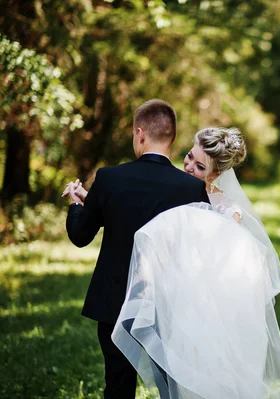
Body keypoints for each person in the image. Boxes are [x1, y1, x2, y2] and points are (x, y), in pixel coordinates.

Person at [68, 127, 280, 398]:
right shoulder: (184, 188)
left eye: (199, 166)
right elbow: (141, 211)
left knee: (179, 383)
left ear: (216, 174)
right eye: (189, 157)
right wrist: (93, 201)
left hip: (185, 307)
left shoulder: (218, 208)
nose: (188, 167)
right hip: (149, 296)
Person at [64, 99, 210, 399]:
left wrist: (78, 204)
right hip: (167, 305)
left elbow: (80, 236)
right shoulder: (191, 188)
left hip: (115, 301)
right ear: (171, 137)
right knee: (172, 385)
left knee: (118, 385)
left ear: (140, 133)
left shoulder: (109, 178)